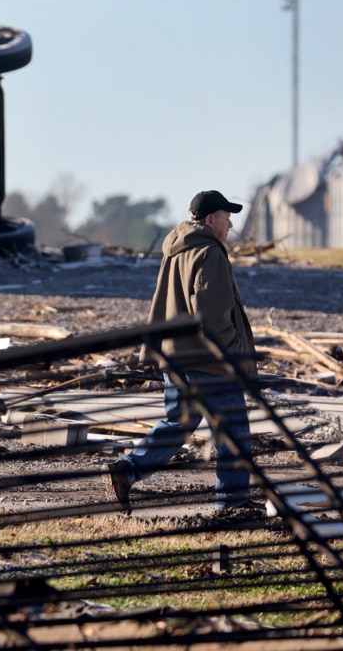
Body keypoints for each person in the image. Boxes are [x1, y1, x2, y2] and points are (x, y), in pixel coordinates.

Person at [106, 190, 259, 515]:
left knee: (178, 424)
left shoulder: (176, 250)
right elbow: (212, 317)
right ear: (209, 220)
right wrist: (235, 353)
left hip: (176, 357)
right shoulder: (209, 253)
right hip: (210, 363)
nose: (230, 224)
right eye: (225, 216)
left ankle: (127, 470)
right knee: (233, 433)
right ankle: (233, 505)